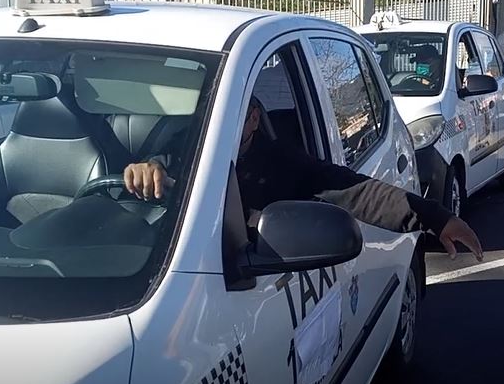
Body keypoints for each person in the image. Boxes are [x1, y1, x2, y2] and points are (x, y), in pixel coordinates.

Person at [123, 96, 484, 261]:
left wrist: (436, 217)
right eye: (212, 113)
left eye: (234, 113)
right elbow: (157, 166)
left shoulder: (282, 161)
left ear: (253, 120)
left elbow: (352, 190)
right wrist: (146, 168)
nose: (219, 123)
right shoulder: (182, 148)